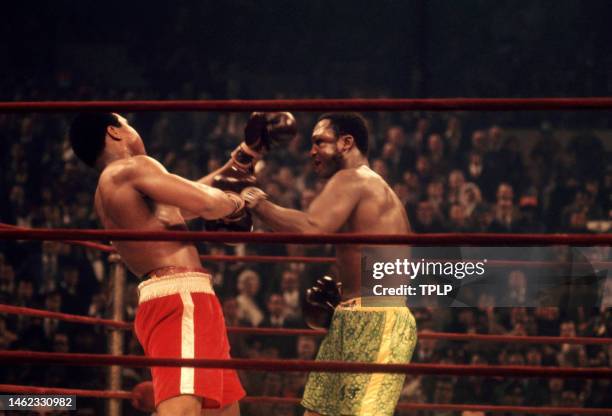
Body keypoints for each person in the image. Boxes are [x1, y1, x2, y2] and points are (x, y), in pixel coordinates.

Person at [69, 112, 249, 416]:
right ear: (114, 131)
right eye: (128, 123)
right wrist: (238, 205)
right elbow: (205, 202)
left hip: (175, 297)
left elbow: (183, 200)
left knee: (222, 411)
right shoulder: (132, 166)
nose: (134, 129)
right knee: (182, 411)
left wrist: (244, 157)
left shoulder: (110, 187)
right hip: (181, 299)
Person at [242, 113, 418, 416]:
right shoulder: (372, 188)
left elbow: (312, 229)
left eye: (319, 142)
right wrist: (343, 293)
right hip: (355, 314)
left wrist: (259, 204)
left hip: (378, 317)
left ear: (346, 143)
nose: (311, 151)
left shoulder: (354, 178)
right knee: (317, 412)